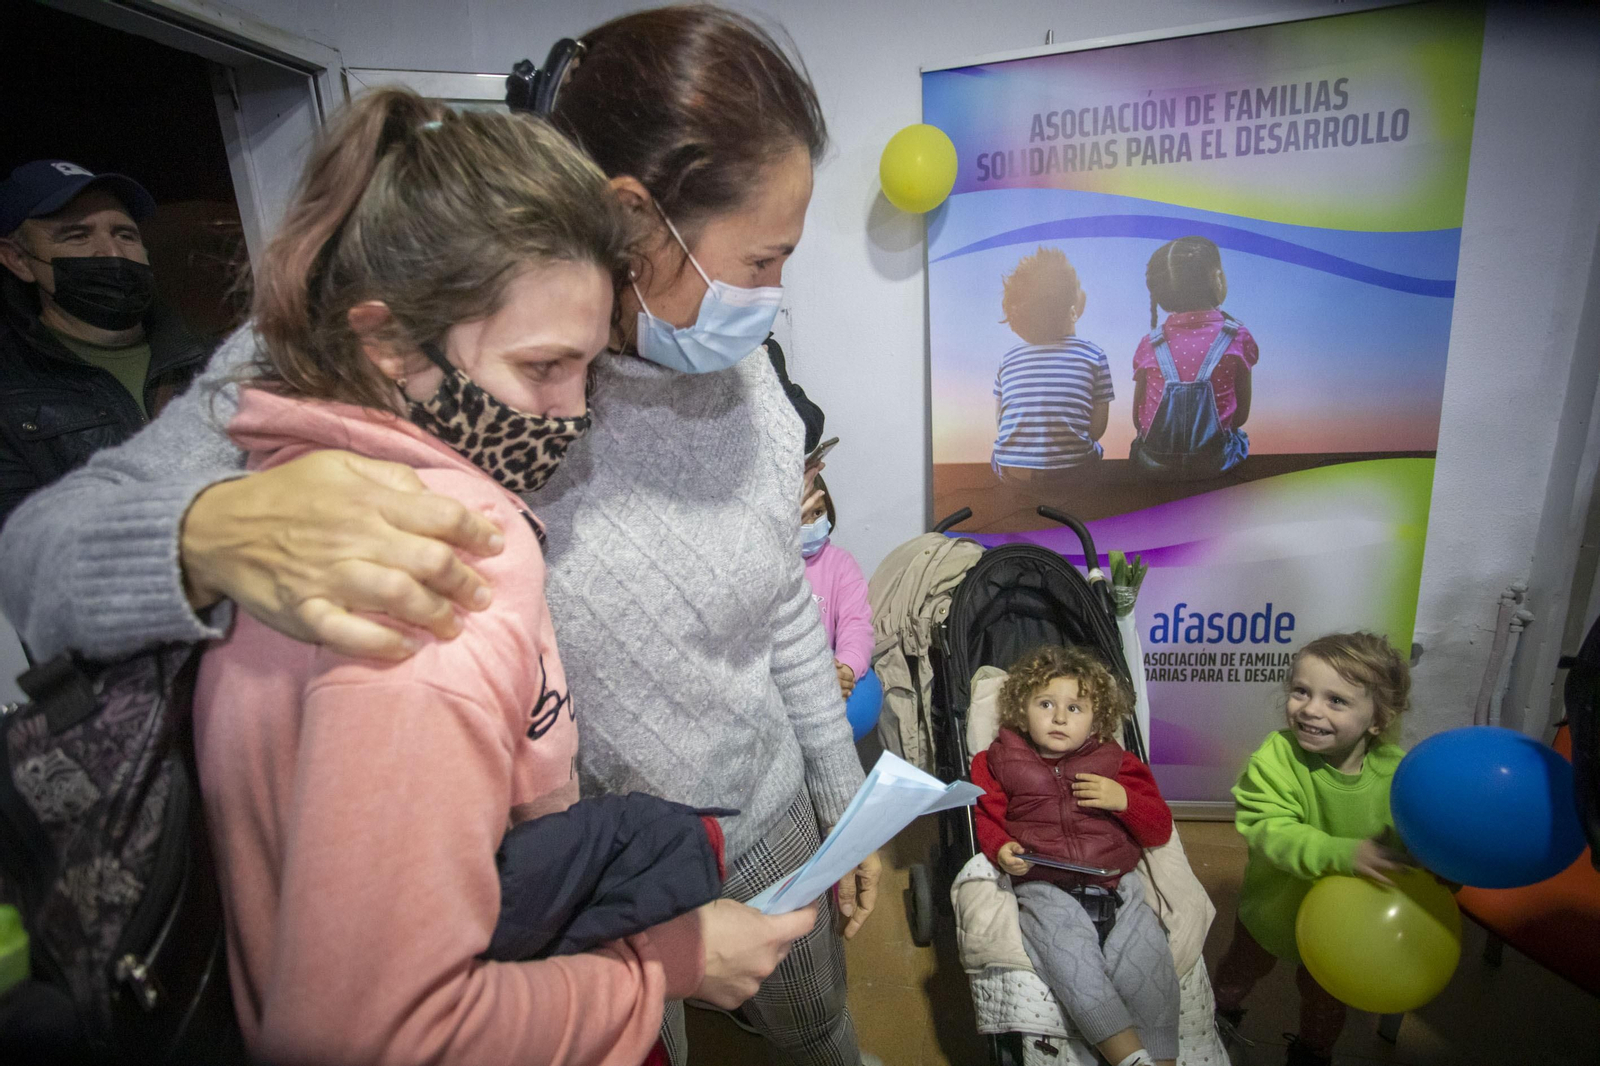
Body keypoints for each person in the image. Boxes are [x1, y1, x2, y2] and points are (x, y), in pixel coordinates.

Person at [0, 9, 880, 1066]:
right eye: (762, 258)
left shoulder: (740, 377)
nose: (767, 301)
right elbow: (39, 553)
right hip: (556, 880)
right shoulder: (418, 351)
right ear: (638, 222)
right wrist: (203, 526)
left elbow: (782, 596)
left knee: (815, 1026)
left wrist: (839, 792)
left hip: (757, 802)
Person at [189, 87, 812, 1066]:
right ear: (389, 341)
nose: (569, 418)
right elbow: (365, 1032)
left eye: (586, 367)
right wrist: (658, 968)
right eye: (542, 370)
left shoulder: (302, 488)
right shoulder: (437, 573)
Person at [1212, 632, 1413, 1066]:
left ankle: (1311, 1053)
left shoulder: (1399, 774)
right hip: (1273, 909)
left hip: (1343, 930)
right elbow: (1270, 831)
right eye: (1301, 691)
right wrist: (1347, 854)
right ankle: (1216, 1018)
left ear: (1377, 719)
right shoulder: (1275, 757)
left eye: (1336, 701)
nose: (1310, 709)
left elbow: (1411, 839)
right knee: (1239, 972)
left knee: (1325, 1000)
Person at [972, 645, 1178, 1066]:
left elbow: (1158, 827)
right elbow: (984, 816)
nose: (1060, 718)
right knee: (1068, 957)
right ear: (1021, 709)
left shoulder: (1117, 762)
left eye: (1075, 707)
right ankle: (1127, 1057)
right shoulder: (997, 759)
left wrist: (1124, 800)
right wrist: (1001, 848)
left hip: (1117, 883)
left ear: (1097, 718)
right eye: (1045, 704)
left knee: (1149, 963)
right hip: (1046, 883)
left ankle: (1161, 1059)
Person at [0, 160, 209, 527]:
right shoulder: (11, 390)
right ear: (18, 259)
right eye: (77, 236)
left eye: (125, 235)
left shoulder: (213, 363)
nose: (112, 254)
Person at [1129, 235, 1258, 477]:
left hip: (1154, 467)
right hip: (1215, 464)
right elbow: (1240, 417)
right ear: (1217, 278)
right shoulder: (1237, 337)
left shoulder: (1149, 343)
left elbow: (1138, 420)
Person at [990, 245, 1113, 482]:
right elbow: (1097, 429)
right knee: (1095, 452)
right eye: (1077, 286)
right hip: (1072, 474)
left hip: (1014, 474)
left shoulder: (1008, 359)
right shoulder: (1094, 356)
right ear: (1073, 311)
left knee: (999, 455)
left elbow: (1000, 423)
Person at [801, 473, 876, 736]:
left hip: (830, 674)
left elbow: (856, 624)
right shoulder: (771, 565)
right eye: (802, 516)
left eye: (818, 512)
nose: (811, 522)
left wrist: (845, 668)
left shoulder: (841, 564)